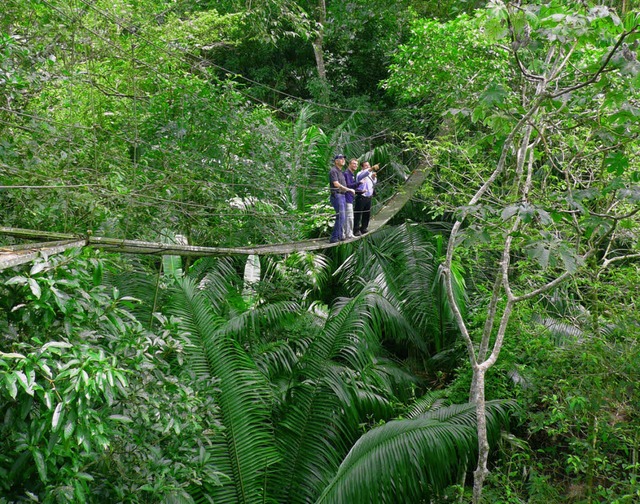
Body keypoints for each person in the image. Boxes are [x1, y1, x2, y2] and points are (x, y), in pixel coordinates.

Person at [328, 154, 354, 243]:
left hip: (342, 196)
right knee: (341, 216)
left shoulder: (340, 172)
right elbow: (336, 184)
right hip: (337, 195)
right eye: (341, 158)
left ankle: (339, 236)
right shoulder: (333, 171)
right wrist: (348, 189)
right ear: (336, 161)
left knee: (342, 217)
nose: (343, 160)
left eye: (343, 158)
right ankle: (334, 237)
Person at [353, 161, 378, 236]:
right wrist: (371, 169)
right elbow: (364, 174)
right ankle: (356, 229)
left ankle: (364, 228)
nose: (368, 167)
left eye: (369, 165)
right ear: (362, 167)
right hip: (361, 196)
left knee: (367, 213)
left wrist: (373, 178)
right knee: (358, 213)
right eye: (366, 166)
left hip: (368, 197)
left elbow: (374, 183)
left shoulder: (370, 174)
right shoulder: (360, 174)